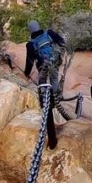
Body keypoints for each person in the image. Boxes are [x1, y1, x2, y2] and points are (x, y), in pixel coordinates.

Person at [24, 20, 67, 149]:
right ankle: (56, 98)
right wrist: (60, 53)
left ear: (30, 30)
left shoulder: (30, 44)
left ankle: (46, 101)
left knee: (42, 83)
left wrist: (26, 72)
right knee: (54, 79)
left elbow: (30, 60)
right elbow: (62, 41)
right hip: (54, 61)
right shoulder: (49, 33)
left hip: (42, 66)